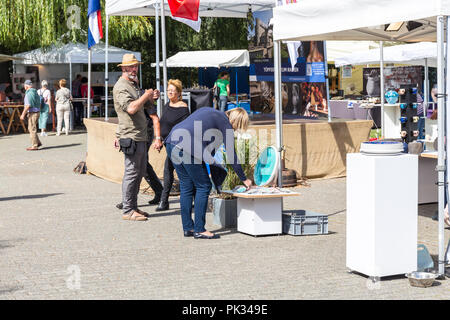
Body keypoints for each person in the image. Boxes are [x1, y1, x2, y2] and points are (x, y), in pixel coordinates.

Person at [165, 107, 253, 239]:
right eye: (238, 127)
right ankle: (199, 229)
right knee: (204, 186)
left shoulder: (211, 112)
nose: (234, 130)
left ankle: (188, 227)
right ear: (236, 121)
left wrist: (212, 171)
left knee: (186, 186)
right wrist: (244, 178)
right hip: (187, 147)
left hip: (172, 142)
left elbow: (207, 152)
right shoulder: (225, 123)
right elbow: (231, 154)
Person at [113, 53, 162, 222]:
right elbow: (132, 108)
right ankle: (128, 210)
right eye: (132, 66)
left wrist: (152, 97)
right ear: (124, 68)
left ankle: (132, 207)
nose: (135, 69)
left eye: (136, 66)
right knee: (132, 173)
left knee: (140, 171)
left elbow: (144, 106)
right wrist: (145, 95)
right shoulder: (121, 86)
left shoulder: (132, 85)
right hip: (131, 136)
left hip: (140, 135)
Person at [156, 79, 191, 212]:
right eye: (168, 90)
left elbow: (185, 127)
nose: (170, 92)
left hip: (177, 145)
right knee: (175, 172)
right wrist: (158, 138)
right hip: (167, 143)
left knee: (169, 171)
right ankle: (166, 201)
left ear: (179, 93)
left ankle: (164, 201)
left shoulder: (183, 107)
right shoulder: (167, 105)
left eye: (173, 90)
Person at [20, 80, 42, 150]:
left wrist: (23, 114)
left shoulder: (29, 93)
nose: (24, 87)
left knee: (32, 129)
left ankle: (34, 145)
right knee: (31, 128)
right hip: (37, 112)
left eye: (24, 85)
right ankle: (38, 142)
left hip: (33, 113)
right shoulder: (34, 92)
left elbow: (27, 105)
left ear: (26, 85)